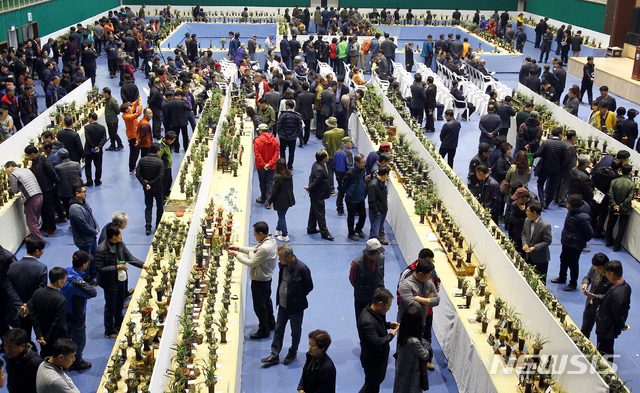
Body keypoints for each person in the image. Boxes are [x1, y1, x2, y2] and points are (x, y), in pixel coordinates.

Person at [95, 222, 148, 339]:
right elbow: (99, 268)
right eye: (120, 233)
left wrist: (142, 265)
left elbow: (129, 257)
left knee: (119, 303)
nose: (121, 234)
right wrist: (116, 267)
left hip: (121, 279)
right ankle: (109, 330)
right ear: (113, 237)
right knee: (110, 307)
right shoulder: (101, 250)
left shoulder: (120, 243)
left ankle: (119, 323)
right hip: (110, 282)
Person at [262, 245, 313, 366]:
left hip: (295, 308)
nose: (279, 259)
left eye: (280, 257)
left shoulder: (302, 269)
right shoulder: (283, 266)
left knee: (295, 332)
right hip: (282, 306)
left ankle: (293, 352)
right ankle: (274, 354)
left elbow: (309, 287)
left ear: (289, 257)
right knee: (279, 329)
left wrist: (297, 298)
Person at [228, 222, 277, 339]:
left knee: (260, 306)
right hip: (266, 279)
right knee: (267, 302)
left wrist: (236, 255)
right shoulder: (270, 241)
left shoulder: (265, 248)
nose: (254, 236)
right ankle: (271, 323)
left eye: (255, 234)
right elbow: (255, 250)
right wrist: (239, 248)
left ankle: (264, 330)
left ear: (261, 233)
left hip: (260, 280)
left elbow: (251, 262)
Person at [357, 287, 398, 393]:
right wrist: (391, 335)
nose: (389, 309)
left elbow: (378, 324)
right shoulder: (367, 321)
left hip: (379, 359)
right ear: (380, 304)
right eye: (388, 306)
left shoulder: (376, 312)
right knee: (372, 387)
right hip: (373, 362)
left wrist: (388, 325)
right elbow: (377, 342)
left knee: (371, 385)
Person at [59, 251, 95, 371]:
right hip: (76, 313)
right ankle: (77, 361)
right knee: (79, 340)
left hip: (65, 310)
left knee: (66, 336)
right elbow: (92, 292)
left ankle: (63, 358)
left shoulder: (66, 271)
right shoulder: (77, 282)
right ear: (84, 265)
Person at [6, 238, 47, 339]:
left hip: (20, 308)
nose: (43, 252)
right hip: (35, 308)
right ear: (37, 251)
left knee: (24, 333)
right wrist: (27, 305)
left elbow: (10, 288)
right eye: (42, 249)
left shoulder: (12, 266)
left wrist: (21, 306)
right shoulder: (41, 268)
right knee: (41, 333)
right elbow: (41, 290)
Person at [551, 194, 593, 291]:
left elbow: (589, 233)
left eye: (569, 205)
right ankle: (562, 277)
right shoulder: (573, 211)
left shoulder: (583, 217)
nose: (567, 206)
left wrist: (580, 241)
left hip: (575, 245)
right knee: (563, 259)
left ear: (575, 206)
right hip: (567, 241)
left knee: (573, 264)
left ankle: (573, 283)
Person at [28, 267, 67, 358]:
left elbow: (33, 315)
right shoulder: (61, 299)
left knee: (44, 356)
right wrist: (47, 339)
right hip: (56, 337)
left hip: (42, 334)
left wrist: (39, 335)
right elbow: (57, 322)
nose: (65, 282)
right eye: (64, 279)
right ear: (59, 282)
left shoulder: (37, 293)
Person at [595, 260, 631, 358]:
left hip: (607, 328)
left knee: (605, 353)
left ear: (611, 274)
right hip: (607, 326)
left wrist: (621, 325)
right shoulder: (625, 286)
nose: (606, 276)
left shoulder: (617, 293)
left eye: (606, 273)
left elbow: (617, 313)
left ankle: (604, 372)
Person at [393, 307, 432, 393]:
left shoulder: (403, 335)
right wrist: (427, 346)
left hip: (402, 370)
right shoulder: (414, 342)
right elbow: (425, 355)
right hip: (411, 375)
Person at [24, 145, 58, 238]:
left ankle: (52, 227)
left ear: (32, 154)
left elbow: (51, 173)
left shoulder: (43, 160)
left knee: (49, 208)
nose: (28, 158)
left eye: (28, 155)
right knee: (42, 209)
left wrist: (51, 183)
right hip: (40, 188)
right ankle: (45, 224)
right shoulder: (35, 161)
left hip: (46, 188)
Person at [5, 161, 43, 240]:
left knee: (31, 221)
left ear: (10, 167)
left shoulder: (13, 174)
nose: (7, 172)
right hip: (39, 194)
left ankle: (38, 240)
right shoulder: (26, 170)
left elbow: (15, 190)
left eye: (6, 170)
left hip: (31, 198)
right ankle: (33, 236)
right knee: (36, 218)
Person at [349, 238, 386, 320]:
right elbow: (353, 280)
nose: (379, 255)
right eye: (376, 253)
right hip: (362, 298)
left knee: (380, 321)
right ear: (369, 253)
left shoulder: (381, 259)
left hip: (379, 296)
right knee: (362, 320)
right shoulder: (357, 263)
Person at [135, 143, 165, 235]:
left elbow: (138, 174)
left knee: (148, 206)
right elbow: (160, 176)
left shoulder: (142, 160)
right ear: (157, 152)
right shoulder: (160, 162)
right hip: (157, 188)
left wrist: (145, 184)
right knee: (159, 206)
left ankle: (148, 226)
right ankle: (158, 225)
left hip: (147, 189)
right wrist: (151, 183)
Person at [533, 127, 566, 209]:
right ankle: (547, 203)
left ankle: (541, 200)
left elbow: (539, 153)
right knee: (553, 187)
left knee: (540, 183)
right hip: (556, 169)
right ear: (559, 134)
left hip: (545, 168)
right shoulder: (563, 145)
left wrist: (533, 155)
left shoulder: (546, 142)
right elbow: (564, 159)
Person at [2, 328, 43, 393]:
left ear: (23, 346)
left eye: (10, 347)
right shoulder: (9, 358)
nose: (7, 350)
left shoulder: (35, 363)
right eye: (5, 346)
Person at [606, 164, 636, 252]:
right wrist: (621, 206)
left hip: (613, 207)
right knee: (621, 227)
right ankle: (617, 245)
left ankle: (608, 240)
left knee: (610, 223)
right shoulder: (632, 184)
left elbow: (610, 194)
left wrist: (614, 205)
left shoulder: (614, 181)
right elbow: (629, 198)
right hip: (625, 209)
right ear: (630, 173)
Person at [68, 181, 99, 266]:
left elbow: (91, 215)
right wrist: (94, 231)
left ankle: (93, 272)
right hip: (84, 240)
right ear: (77, 193)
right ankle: (87, 277)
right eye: (83, 192)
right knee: (85, 261)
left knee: (93, 257)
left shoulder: (83, 203)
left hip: (91, 237)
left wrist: (97, 227)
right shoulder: (75, 208)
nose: (85, 193)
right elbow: (83, 225)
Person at [580, 253, 611, 338]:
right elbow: (588, 277)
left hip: (602, 309)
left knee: (601, 334)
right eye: (595, 268)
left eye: (599, 269)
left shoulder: (611, 277)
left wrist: (594, 296)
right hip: (590, 304)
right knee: (585, 329)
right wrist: (585, 283)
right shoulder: (594, 268)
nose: (597, 270)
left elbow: (609, 297)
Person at [306, 150, 334, 241]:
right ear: (324, 158)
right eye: (327, 155)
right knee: (321, 214)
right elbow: (315, 182)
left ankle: (311, 228)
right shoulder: (320, 169)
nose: (328, 156)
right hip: (318, 195)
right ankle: (325, 233)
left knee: (314, 211)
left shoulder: (316, 164)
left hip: (315, 194)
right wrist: (310, 187)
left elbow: (311, 178)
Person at [521, 202, 552, 284]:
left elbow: (547, 241)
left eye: (528, 211)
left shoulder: (545, 226)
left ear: (534, 213)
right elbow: (524, 233)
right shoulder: (527, 220)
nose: (526, 212)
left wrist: (535, 247)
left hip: (540, 258)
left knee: (540, 282)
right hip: (528, 256)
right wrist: (525, 243)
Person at [591, 159, 621, 239]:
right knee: (602, 217)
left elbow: (592, 182)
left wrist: (594, 192)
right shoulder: (615, 177)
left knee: (593, 214)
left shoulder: (599, 170)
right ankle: (597, 233)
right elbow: (612, 190)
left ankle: (590, 229)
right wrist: (605, 197)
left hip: (595, 195)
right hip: (605, 199)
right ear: (618, 168)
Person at [267, 159, 295, 242]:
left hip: (280, 201)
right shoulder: (289, 174)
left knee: (281, 217)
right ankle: (278, 229)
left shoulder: (278, 177)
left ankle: (284, 235)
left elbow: (274, 191)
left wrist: (269, 201)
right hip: (289, 199)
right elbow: (291, 187)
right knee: (282, 215)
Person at [254, 123, 280, 208]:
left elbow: (257, 154)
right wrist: (270, 163)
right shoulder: (275, 140)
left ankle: (263, 197)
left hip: (261, 166)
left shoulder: (257, 141)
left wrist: (263, 164)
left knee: (262, 182)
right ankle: (268, 200)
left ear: (261, 130)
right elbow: (276, 153)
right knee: (270, 182)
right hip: (271, 167)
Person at [53, 149, 81, 220]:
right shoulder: (76, 164)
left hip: (64, 192)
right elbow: (80, 174)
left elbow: (56, 179)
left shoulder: (57, 167)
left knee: (68, 209)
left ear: (60, 157)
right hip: (76, 190)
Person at [277, 100, 302, 170]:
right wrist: (297, 134)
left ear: (287, 106)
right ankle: (290, 165)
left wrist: (279, 133)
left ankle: (283, 165)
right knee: (292, 151)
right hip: (293, 137)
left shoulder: (283, 115)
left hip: (283, 136)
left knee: (282, 150)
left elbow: (279, 125)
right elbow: (299, 126)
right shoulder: (297, 116)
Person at [82, 113, 106, 186]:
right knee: (98, 166)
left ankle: (89, 181)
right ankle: (97, 180)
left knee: (88, 166)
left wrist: (93, 147)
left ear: (91, 118)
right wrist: (98, 147)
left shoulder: (87, 128)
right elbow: (104, 138)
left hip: (89, 151)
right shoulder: (102, 127)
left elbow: (88, 139)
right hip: (98, 151)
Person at [368, 165, 390, 245]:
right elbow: (371, 200)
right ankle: (372, 250)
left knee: (378, 231)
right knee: (374, 234)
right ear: (386, 175)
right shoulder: (374, 184)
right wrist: (376, 211)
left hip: (382, 211)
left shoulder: (381, 182)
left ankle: (376, 249)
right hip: (377, 213)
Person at [158, 131, 176, 201]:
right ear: (169, 140)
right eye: (173, 140)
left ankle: (167, 194)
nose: (173, 142)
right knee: (164, 183)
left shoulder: (166, 144)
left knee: (169, 181)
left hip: (168, 167)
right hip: (164, 168)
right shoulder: (161, 147)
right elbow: (158, 158)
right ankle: (163, 198)